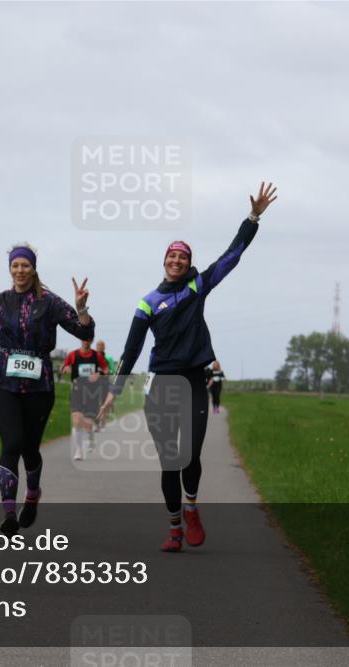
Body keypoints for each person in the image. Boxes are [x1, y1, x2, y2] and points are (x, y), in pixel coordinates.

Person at [99, 182, 277, 552]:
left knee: (191, 454)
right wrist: (113, 392)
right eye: (172, 256)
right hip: (162, 386)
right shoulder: (148, 303)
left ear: (187, 262)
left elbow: (231, 256)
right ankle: (174, 527)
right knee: (169, 462)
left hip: (195, 382)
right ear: (164, 262)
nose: (177, 261)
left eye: (183, 257)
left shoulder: (198, 286)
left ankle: (191, 507)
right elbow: (131, 349)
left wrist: (252, 218)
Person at [0, 244, 94, 536]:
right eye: (15, 265)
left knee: (29, 449)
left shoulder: (49, 303)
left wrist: (82, 308)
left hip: (39, 387)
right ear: (9, 269)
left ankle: (32, 495)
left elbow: (84, 331)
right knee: (11, 444)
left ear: (33, 269)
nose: (20, 270)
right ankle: (9, 514)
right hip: (4, 384)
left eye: (25, 265)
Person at [59, 339, 109, 459]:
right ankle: (79, 450)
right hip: (77, 392)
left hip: (91, 394)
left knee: (88, 424)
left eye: (88, 339)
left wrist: (99, 374)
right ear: (81, 340)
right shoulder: (73, 355)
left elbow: (106, 370)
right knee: (76, 420)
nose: (86, 341)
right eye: (84, 339)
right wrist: (65, 368)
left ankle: (90, 435)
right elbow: (63, 367)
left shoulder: (97, 356)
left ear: (91, 340)